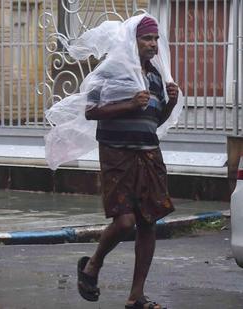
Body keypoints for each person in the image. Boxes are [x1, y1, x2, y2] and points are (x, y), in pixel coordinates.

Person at [76, 17, 178, 309]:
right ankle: (92, 265)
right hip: (117, 154)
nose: (153, 45)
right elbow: (90, 110)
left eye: (155, 40)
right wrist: (128, 104)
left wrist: (170, 103)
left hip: (149, 155)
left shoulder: (156, 77)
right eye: (147, 38)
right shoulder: (111, 72)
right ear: (132, 40)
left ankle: (136, 296)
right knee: (124, 222)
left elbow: (153, 120)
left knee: (148, 223)